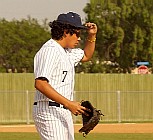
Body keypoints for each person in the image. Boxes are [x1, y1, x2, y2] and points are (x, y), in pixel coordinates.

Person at [33, 11, 97, 140]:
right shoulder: (50, 50)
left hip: (62, 110)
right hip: (49, 110)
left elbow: (86, 56)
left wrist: (92, 36)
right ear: (66, 32)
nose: (79, 38)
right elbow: (40, 83)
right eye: (77, 33)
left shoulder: (66, 52)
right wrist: (69, 104)